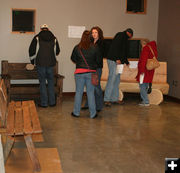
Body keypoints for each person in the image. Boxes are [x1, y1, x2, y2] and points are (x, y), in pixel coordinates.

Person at [71, 30, 101, 119]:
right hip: (91, 73)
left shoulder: (77, 47)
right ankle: (93, 114)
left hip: (79, 73)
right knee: (90, 93)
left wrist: (79, 64)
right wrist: (93, 66)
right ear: (91, 37)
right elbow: (98, 61)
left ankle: (76, 113)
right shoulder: (95, 47)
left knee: (78, 93)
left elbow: (73, 58)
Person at [29, 24, 60, 108]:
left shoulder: (37, 38)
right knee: (50, 83)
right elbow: (57, 51)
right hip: (51, 64)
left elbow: (31, 50)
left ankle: (44, 103)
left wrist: (32, 62)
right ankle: (52, 102)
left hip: (40, 64)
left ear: (41, 29)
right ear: (48, 29)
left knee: (42, 83)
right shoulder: (54, 38)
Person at [104, 28, 133, 107]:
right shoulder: (120, 35)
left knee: (117, 80)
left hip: (119, 62)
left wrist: (126, 61)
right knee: (112, 79)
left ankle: (114, 99)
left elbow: (123, 51)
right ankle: (107, 99)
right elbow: (115, 47)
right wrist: (117, 58)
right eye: (131, 36)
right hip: (113, 60)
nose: (130, 37)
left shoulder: (125, 38)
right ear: (129, 33)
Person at [82, 26, 105, 112]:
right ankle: (88, 104)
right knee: (89, 86)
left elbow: (100, 56)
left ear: (99, 33)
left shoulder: (102, 43)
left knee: (96, 86)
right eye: (92, 33)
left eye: (96, 32)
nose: (94, 34)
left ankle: (99, 106)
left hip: (97, 68)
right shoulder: (90, 42)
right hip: (90, 67)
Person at [136, 39, 158, 106]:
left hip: (144, 70)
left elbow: (143, 60)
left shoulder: (146, 48)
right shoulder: (153, 49)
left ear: (143, 43)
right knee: (145, 85)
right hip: (150, 70)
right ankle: (145, 101)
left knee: (142, 85)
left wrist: (142, 71)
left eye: (141, 44)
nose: (141, 46)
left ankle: (146, 101)